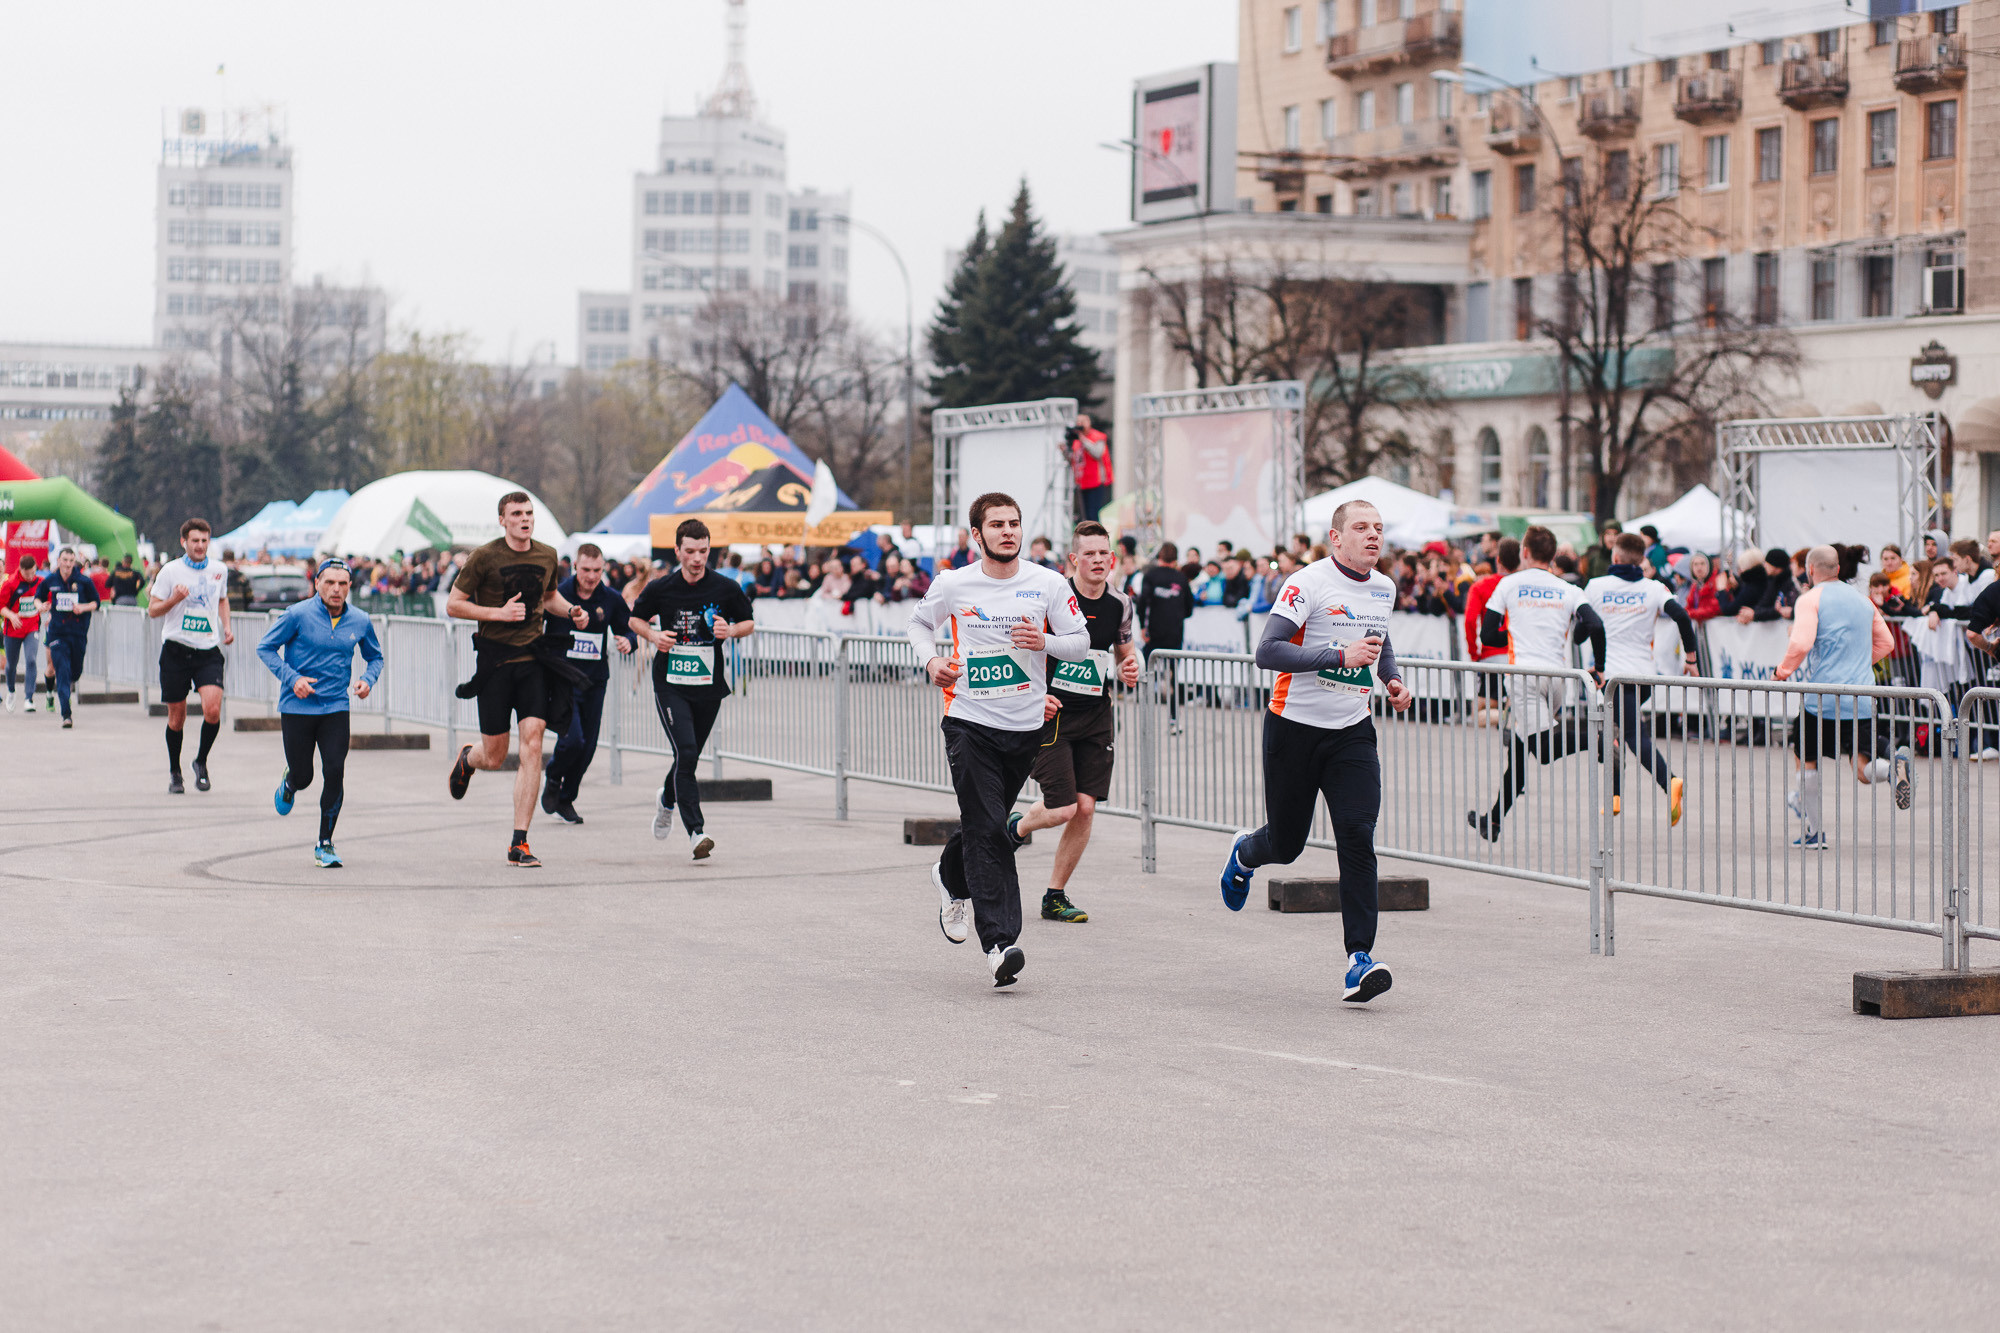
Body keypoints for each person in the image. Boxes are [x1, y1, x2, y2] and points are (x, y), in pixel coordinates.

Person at [1216, 500, 1414, 1004]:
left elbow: (1379, 641)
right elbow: (1267, 651)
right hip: (1293, 729)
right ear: (1336, 538)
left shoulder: (1384, 587)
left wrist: (1391, 679)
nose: (1373, 536)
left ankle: (1359, 960)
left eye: (1378, 528)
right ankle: (1245, 852)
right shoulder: (1307, 583)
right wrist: (1339, 656)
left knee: (1357, 835)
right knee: (1287, 845)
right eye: (1361, 527)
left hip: (1351, 731)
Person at [907, 491, 1089, 988]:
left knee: (983, 824)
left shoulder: (1047, 583)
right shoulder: (954, 583)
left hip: (1024, 728)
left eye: (1013, 523)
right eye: (997, 525)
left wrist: (1045, 641)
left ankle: (949, 876)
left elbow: (1080, 642)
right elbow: (918, 623)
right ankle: (1000, 944)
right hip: (968, 721)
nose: (1007, 532)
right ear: (977, 534)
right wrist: (931, 660)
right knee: (989, 828)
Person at [446, 491, 592, 868]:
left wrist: (572, 611)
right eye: (516, 514)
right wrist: (498, 613)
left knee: (533, 742)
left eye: (528, 513)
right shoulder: (484, 557)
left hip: (533, 660)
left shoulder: (547, 555)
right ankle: (469, 758)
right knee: (495, 756)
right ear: (502, 520)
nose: (525, 519)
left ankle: (519, 842)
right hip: (494, 661)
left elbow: (549, 597)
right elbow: (453, 604)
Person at [1007, 520, 1141, 924]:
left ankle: (1055, 895)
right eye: (1089, 554)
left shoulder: (1120, 603)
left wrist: (1130, 668)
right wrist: (1034, 696)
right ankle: (1016, 828)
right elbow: (1020, 649)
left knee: (1085, 808)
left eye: (1104, 553)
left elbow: (1126, 653)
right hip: (1052, 713)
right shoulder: (1053, 597)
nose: (1098, 560)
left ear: (1112, 558)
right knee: (1063, 808)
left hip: (1096, 714)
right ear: (1073, 559)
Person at [1469, 525, 1608, 841]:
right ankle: (1493, 820)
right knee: (1519, 751)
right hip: (1559, 679)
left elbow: (1487, 634)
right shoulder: (1569, 589)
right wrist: (1599, 668)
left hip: (1524, 677)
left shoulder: (1508, 583)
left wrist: (1517, 635)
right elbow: (1595, 626)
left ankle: (1598, 738)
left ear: (1525, 552)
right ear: (1553, 555)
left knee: (1543, 750)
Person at [628, 519, 757, 861]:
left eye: (703, 551)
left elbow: (748, 622)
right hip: (670, 685)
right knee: (685, 751)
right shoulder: (662, 587)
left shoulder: (725, 587)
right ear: (678, 551)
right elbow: (634, 619)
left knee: (689, 756)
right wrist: (653, 635)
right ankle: (696, 832)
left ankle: (666, 800)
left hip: (708, 685)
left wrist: (731, 631)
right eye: (690, 551)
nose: (697, 558)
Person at [1776, 545, 1910, 848]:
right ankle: (1892, 769)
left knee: (1806, 761)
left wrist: (1782, 671)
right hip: (1861, 696)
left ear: (1810, 570)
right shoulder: (1863, 601)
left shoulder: (1810, 599)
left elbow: (1801, 643)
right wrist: (1858, 665)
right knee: (1862, 769)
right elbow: (1887, 643)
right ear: (1837, 569)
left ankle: (1815, 832)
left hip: (1821, 699)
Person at [256, 559, 384, 867]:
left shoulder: (360, 620)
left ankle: (324, 843)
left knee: (335, 770)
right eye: (329, 582)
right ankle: (290, 782)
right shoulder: (297, 614)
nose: (336, 589)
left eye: (342, 583)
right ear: (316, 584)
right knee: (304, 776)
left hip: (335, 707)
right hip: (297, 707)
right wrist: (293, 679)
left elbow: (375, 657)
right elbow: (265, 648)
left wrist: (367, 680)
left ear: (350, 586)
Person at [1585, 531, 1698, 825]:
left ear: (1615, 556)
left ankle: (1670, 781)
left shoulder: (1596, 586)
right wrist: (1691, 658)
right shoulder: (1653, 588)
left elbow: (1584, 627)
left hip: (1612, 677)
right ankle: (1614, 796)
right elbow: (1682, 616)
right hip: (1643, 676)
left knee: (1632, 735)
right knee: (1613, 732)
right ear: (1640, 559)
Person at [540, 543, 639, 825]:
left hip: (594, 681)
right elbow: (536, 625)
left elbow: (628, 628)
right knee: (573, 740)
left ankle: (566, 798)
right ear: (575, 567)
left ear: (603, 568)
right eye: (586, 570)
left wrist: (628, 642)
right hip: (562, 679)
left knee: (588, 747)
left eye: (597, 570)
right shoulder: (558, 595)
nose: (592, 576)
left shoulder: (610, 598)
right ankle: (553, 776)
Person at [148, 519, 233, 793]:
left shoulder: (219, 570)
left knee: (213, 710)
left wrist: (227, 626)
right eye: (195, 540)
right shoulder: (170, 571)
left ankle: (201, 761)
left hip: (207, 650)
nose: (200, 546)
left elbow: (222, 599)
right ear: (183, 541)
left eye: (204, 541)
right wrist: (174, 599)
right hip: (176, 650)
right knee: (177, 718)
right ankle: (175, 772)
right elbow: (153, 610)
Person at [35, 546, 100, 729]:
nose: (68, 564)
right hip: (57, 633)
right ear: (58, 561)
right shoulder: (51, 580)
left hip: (78, 633)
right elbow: (37, 597)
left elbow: (96, 602)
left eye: (71, 561)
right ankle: (66, 714)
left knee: (75, 673)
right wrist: (40, 606)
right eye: (65, 560)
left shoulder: (84, 581)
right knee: (62, 672)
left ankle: (67, 691)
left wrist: (82, 607)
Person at [1137, 541, 1194, 734]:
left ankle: (1145, 722)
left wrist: (1143, 627)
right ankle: (1173, 720)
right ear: (1176, 559)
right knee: (1172, 679)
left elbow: (1142, 603)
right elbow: (1189, 609)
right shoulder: (1181, 578)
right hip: (1174, 635)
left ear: (1159, 557)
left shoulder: (1151, 575)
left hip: (1153, 634)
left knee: (1146, 676)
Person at [1464, 537, 1519, 726]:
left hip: (1491, 657)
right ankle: (1510, 719)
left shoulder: (1481, 586)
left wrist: (1474, 653)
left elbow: (1470, 620)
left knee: (1479, 713)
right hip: (1519, 656)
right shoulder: (1523, 586)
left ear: (1498, 560)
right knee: (1517, 705)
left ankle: (1508, 720)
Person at [2, 554, 43, 714]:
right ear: (20, 570)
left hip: (32, 627)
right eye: (27, 574)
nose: (30, 576)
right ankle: (11, 690)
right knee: (11, 664)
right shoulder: (10, 583)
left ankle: (29, 698)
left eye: (33, 572)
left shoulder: (40, 582)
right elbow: (1, 606)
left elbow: (48, 599)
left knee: (31, 659)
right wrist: (11, 616)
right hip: (13, 630)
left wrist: (45, 607)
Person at [1068, 413, 1114, 522]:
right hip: (1082, 482)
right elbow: (1074, 460)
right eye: (1078, 422)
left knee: (1093, 514)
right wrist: (1064, 451)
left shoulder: (1097, 437)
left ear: (1088, 423)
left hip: (1095, 481)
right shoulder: (1076, 441)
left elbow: (1098, 453)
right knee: (1085, 516)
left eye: (1082, 421)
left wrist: (1083, 440)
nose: (1080, 424)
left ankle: (1096, 531)